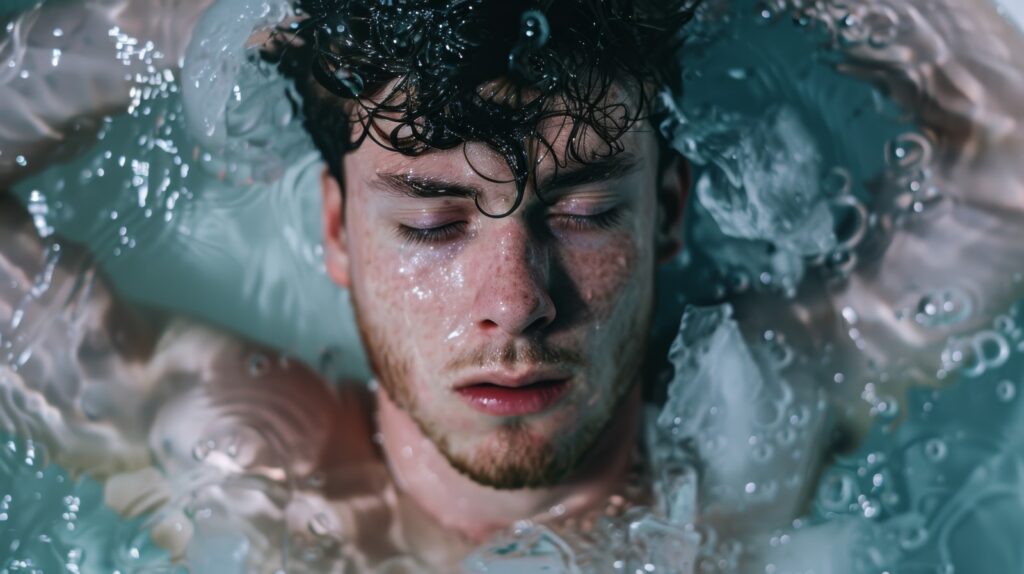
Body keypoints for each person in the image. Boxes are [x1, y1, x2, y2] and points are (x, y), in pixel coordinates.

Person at [1, 0, 1023, 572]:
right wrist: (207, 21)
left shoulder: (762, 422)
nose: (515, 299)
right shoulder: (250, 470)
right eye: (431, 221)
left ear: (668, 210)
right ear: (336, 231)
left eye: (581, 213)